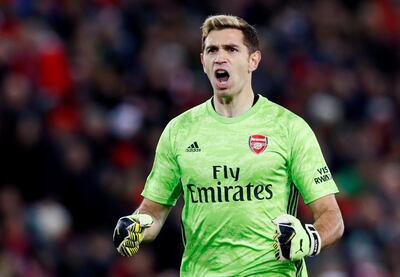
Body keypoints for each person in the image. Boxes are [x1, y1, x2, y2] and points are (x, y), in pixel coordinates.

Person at [113, 14, 344, 276]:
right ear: (203, 62)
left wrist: (310, 239)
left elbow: (332, 217)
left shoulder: (289, 128)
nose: (220, 57)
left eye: (231, 49)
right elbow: (153, 214)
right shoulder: (179, 131)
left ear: (253, 60)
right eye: (212, 50)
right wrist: (137, 226)